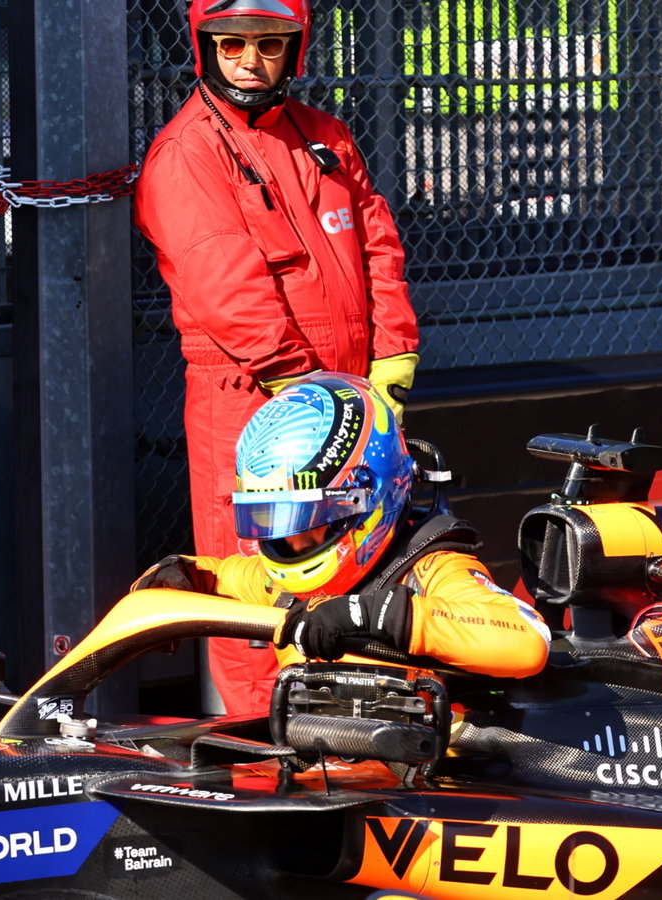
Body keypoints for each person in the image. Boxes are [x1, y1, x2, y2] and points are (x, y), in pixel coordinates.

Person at [132, 0, 420, 714]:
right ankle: (265, 755)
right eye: (231, 44)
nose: (249, 61)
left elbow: (378, 246)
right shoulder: (187, 152)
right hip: (257, 405)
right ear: (205, 46)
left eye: (269, 44)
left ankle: (355, 745)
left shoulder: (324, 136)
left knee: (360, 581)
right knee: (259, 592)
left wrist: (394, 357)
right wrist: (309, 389)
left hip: (349, 400)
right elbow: (226, 287)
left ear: (295, 49)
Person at [132, 373, 551, 683]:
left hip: (431, 784)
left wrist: (374, 614)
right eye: (271, 518)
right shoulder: (281, 581)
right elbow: (216, 575)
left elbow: (527, 641)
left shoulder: (433, 570)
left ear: (366, 499)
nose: (290, 540)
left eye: (308, 521)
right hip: (322, 770)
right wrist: (176, 575)